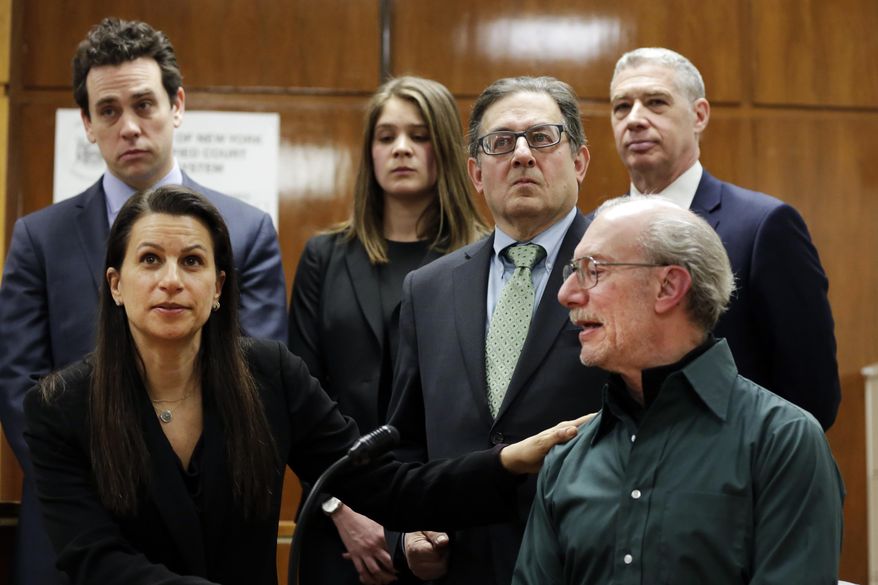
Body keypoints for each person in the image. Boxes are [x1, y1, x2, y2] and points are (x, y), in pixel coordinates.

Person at [22, 186, 585, 585]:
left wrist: (506, 461)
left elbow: (388, 488)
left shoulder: (270, 376)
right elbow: (93, 557)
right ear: (117, 285)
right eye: (150, 260)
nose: (171, 280)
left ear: (218, 288)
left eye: (192, 262)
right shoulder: (59, 407)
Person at [0, 18, 287, 585]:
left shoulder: (246, 231)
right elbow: (18, 388)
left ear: (176, 105)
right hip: (72, 537)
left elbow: (257, 384)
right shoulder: (39, 238)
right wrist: (90, 489)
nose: (129, 126)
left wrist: (178, 495)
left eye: (144, 104)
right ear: (87, 122)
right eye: (108, 111)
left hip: (212, 529)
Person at [513, 195, 845, 584]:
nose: (566, 293)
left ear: (668, 286)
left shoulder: (783, 442)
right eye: (572, 270)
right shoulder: (566, 460)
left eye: (592, 270)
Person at [385, 76, 607, 584]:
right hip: (460, 568)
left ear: (579, 161)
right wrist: (406, 537)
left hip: (584, 563)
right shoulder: (428, 288)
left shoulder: (619, 272)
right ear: (476, 174)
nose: (523, 155)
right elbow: (406, 442)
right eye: (501, 143)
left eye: (543, 137)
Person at [288, 76, 488, 584]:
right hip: (338, 528)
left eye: (419, 135)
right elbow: (298, 401)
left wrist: (425, 527)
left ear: (444, 146)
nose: (401, 148)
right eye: (386, 137)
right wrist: (342, 509)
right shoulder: (324, 257)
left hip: (448, 527)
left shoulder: (486, 260)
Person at [607, 47, 839, 429]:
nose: (634, 119)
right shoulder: (591, 234)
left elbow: (812, 396)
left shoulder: (765, 226)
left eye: (655, 102)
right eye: (621, 107)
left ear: (699, 115)